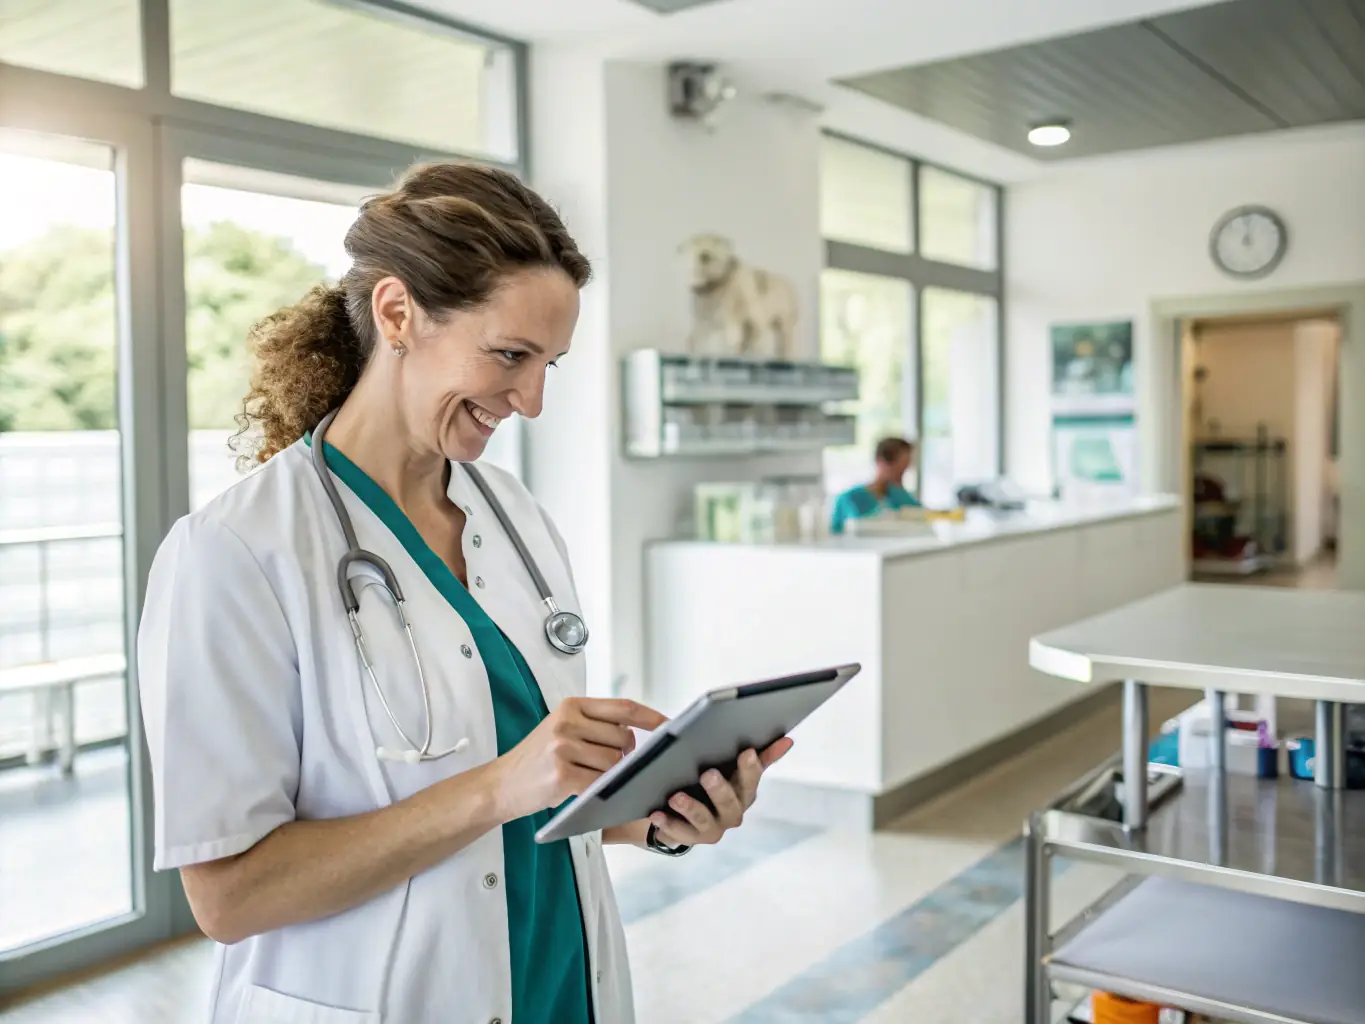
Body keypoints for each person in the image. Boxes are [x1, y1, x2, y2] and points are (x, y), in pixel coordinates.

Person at [137, 162, 792, 1024]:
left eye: (549, 363)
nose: (532, 400)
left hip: (560, 987)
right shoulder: (235, 552)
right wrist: (497, 787)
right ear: (397, 314)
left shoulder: (514, 517)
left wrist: (657, 817)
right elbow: (230, 896)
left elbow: (536, 789)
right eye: (510, 355)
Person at [829, 436, 921, 534]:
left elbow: (923, 517)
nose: (901, 475)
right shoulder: (849, 499)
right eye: (898, 469)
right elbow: (836, 535)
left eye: (905, 468)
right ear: (881, 462)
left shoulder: (902, 497)